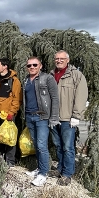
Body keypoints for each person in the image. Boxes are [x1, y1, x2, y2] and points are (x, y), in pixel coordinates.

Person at [48, 50, 88, 186]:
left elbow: (81, 96)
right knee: (58, 145)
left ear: (67, 60)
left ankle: (67, 174)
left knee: (68, 147)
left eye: (61, 58)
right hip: (53, 117)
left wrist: (76, 115)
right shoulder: (51, 75)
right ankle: (60, 168)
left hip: (67, 118)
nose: (59, 61)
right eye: (57, 59)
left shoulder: (76, 75)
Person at [22, 57, 59, 187]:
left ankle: (43, 174)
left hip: (42, 117)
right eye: (29, 65)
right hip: (29, 117)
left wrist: (54, 117)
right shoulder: (26, 80)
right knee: (36, 145)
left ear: (40, 66)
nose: (31, 67)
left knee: (42, 145)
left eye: (34, 65)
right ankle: (39, 168)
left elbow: (55, 98)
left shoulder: (48, 78)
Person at [0, 58, 22, 167]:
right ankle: (0, 160)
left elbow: (16, 99)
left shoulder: (14, 81)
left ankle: (10, 162)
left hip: (8, 115)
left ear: (5, 67)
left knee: (9, 139)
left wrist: (12, 113)